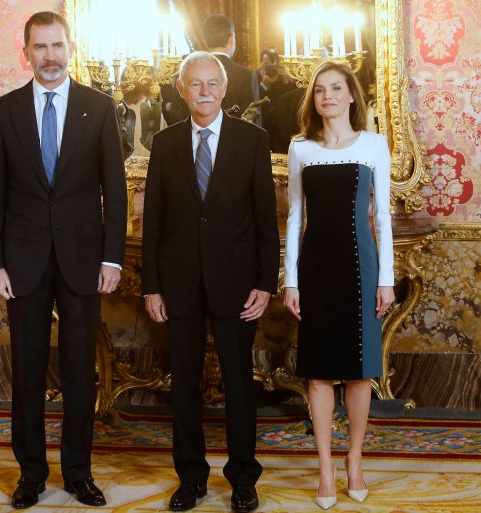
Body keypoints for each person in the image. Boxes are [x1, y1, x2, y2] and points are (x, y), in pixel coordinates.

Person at [0, 11, 127, 510]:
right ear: (26, 52)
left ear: (71, 49)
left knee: (79, 370)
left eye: (57, 46)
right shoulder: (3, 112)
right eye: (40, 47)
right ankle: (31, 474)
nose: (49, 56)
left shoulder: (99, 107)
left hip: (84, 260)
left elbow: (115, 191)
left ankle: (79, 473)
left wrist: (112, 258)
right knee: (27, 371)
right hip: (21, 263)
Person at [142, 51, 280, 513]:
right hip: (178, 284)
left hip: (237, 283)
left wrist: (266, 282)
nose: (204, 91)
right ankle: (192, 478)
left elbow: (265, 219)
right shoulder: (163, 143)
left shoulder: (252, 140)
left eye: (211, 83)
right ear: (181, 90)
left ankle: (243, 478)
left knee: (240, 385)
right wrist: (152, 286)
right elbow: (154, 222)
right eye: (194, 84)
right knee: (183, 386)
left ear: (225, 88)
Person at [282, 61, 395, 510]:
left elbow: (382, 217)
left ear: (351, 96)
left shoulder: (374, 145)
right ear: (314, 100)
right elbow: (295, 218)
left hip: (361, 265)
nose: (327, 96)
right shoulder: (300, 149)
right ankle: (325, 466)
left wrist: (385, 279)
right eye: (320, 90)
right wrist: (290, 280)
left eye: (336, 88)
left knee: (360, 369)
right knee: (319, 370)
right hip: (315, 267)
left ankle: (354, 461)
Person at [202, 14, 261, 126]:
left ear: (204, 41)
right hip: (236, 142)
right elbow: (253, 125)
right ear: (231, 38)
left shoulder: (187, 74)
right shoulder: (246, 76)